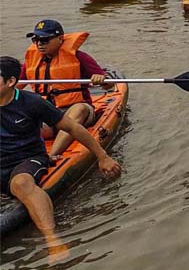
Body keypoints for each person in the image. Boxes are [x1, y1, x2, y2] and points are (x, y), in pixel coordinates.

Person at [1, 56, 121, 265]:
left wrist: (103, 156)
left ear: (10, 82)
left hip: (26, 159)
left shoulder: (31, 102)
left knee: (21, 183)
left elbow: (73, 128)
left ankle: (53, 241)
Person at [18, 19, 111, 159]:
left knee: (79, 109)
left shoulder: (79, 57)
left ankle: (52, 155)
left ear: (60, 39)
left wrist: (101, 79)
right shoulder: (31, 62)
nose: (39, 44)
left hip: (78, 111)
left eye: (45, 39)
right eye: (36, 39)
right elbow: (12, 87)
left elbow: (109, 85)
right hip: (49, 116)